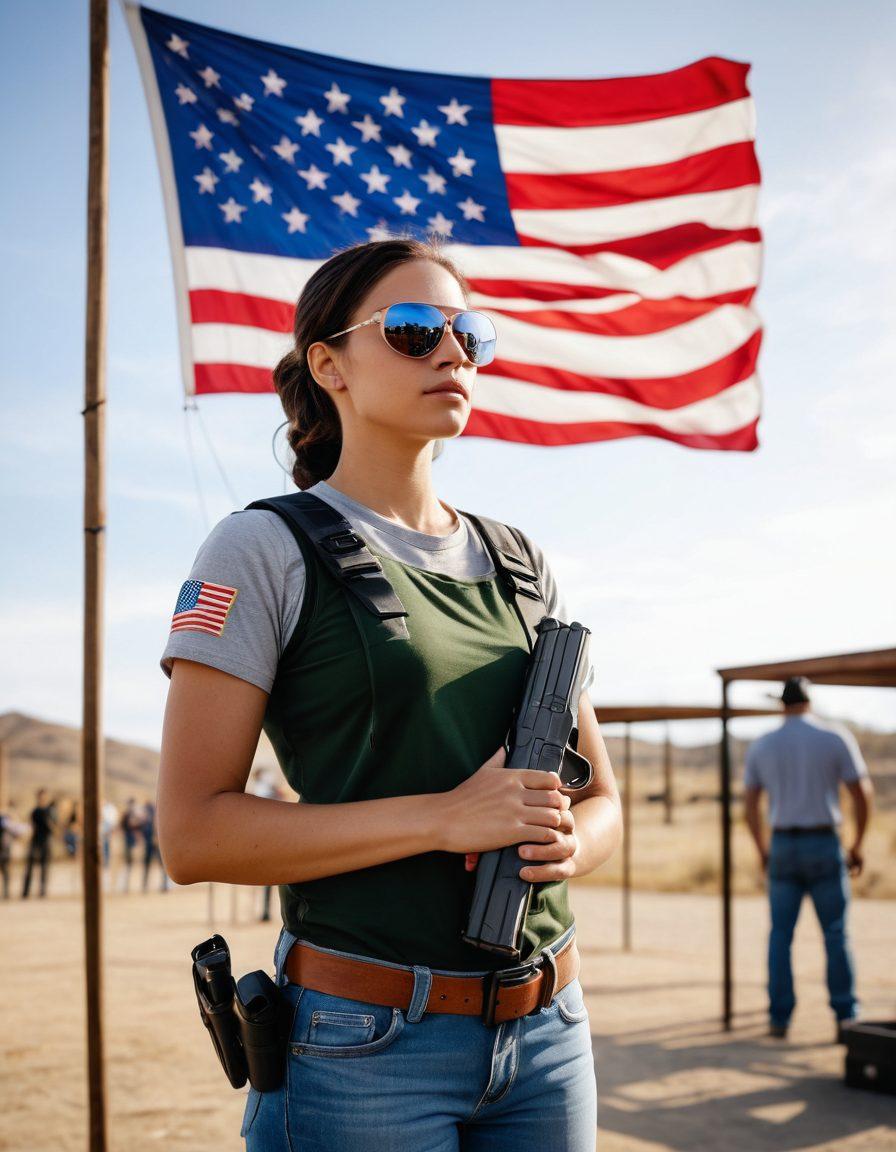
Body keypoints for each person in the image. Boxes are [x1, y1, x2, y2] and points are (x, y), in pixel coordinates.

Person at [158, 238, 622, 1151]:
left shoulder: (521, 563)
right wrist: (446, 820)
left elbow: (603, 803)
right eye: (413, 330)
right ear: (328, 365)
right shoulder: (261, 548)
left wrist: (569, 841)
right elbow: (192, 832)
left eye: (469, 333)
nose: (452, 353)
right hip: (365, 1046)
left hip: (550, 1030)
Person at [743, 676, 874, 1040]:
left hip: (783, 843)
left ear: (782, 704)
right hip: (823, 842)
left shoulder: (763, 745)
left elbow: (750, 805)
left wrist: (762, 849)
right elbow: (862, 793)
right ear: (809, 701)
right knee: (835, 933)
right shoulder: (833, 737)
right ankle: (846, 1015)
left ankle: (780, 1018)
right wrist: (858, 843)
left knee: (780, 935)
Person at [248, 768, 279, 921]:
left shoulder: (265, 788)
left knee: (267, 881)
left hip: (267, 841)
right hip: (266, 841)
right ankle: (264, 911)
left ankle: (265, 911)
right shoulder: (265, 789)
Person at [21, 788, 57, 898]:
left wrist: (48, 822)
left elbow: (55, 828)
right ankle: (26, 892)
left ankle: (42, 891)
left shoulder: (50, 811)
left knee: (44, 866)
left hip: (46, 840)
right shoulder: (35, 811)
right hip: (35, 840)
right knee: (30, 866)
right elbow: (31, 826)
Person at [141, 799, 171, 893]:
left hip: (158, 843)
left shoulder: (160, 815)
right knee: (148, 864)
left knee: (163, 865)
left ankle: (164, 885)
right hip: (152, 843)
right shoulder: (149, 815)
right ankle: (146, 885)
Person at [120, 798, 141, 893]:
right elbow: (123, 826)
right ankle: (126, 885)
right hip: (128, 841)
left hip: (134, 842)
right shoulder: (126, 815)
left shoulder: (136, 815)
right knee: (128, 864)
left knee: (134, 864)